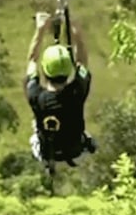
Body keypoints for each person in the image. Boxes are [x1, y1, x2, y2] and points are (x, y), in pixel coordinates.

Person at [24, 10, 97, 172]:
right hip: (76, 153)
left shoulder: (35, 94)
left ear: (44, 69)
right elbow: (82, 63)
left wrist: (40, 29)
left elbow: (32, 61)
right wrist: (75, 29)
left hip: (45, 153)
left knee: (36, 126)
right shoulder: (77, 91)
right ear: (69, 70)